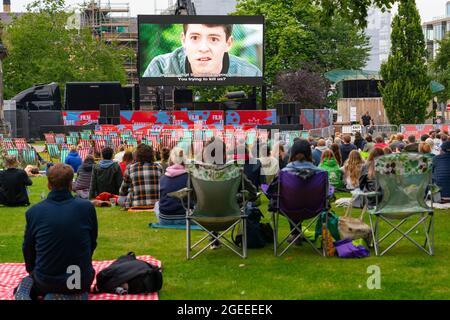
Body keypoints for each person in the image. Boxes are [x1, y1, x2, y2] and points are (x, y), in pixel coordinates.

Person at [16, 164, 97, 300]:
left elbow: (28, 249)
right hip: (79, 281)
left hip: (46, 281)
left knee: (28, 282)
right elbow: (92, 243)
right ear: (71, 184)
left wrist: (33, 272)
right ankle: (71, 293)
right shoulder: (87, 207)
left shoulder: (34, 212)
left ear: (49, 184)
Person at [143, 24, 262, 77]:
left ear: (228, 44)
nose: (203, 48)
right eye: (195, 38)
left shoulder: (250, 73)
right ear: (183, 40)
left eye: (214, 39)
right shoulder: (160, 68)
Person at [266, 139, 325, 245]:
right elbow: (327, 193)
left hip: (289, 208)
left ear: (292, 153)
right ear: (309, 153)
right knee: (297, 198)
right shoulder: (321, 173)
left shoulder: (284, 173)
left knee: (291, 199)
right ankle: (296, 234)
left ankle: (295, 234)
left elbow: (272, 192)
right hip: (315, 208)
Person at [119, 144, 161, 209]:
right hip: (156, 204)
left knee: (120, 199)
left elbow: (122, 191)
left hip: (135, 205)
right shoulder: (159, 167)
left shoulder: (130, 168)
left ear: (136, 155)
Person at [155, 147, 188, 225]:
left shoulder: (163, 177)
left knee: (157, 204)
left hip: (164, 219)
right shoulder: (189, 177)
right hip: (185, 218)